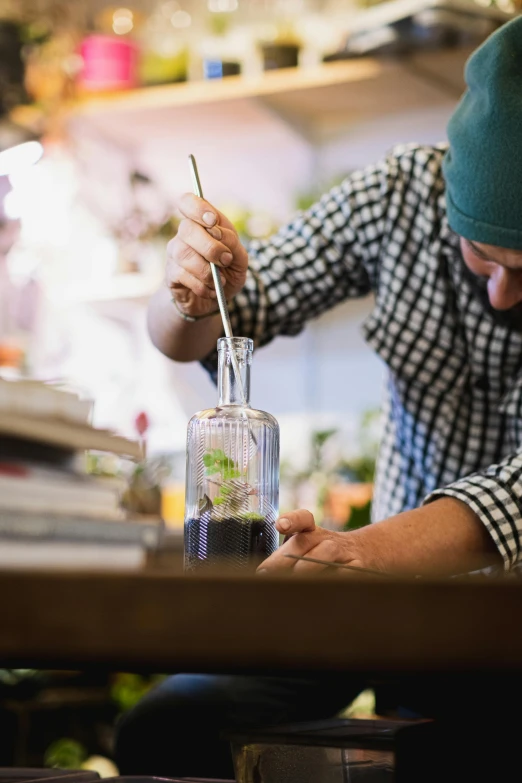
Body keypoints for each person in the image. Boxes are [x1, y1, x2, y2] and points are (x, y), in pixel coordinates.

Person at [114, 17, 522, 778]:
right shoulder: (401, 194)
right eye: (484, 256)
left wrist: (366, 549)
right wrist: (192, 291)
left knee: (471, 751)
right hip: (376, 607)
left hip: (506, 629)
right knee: (167, 728)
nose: (502, 295)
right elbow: (224, 315)